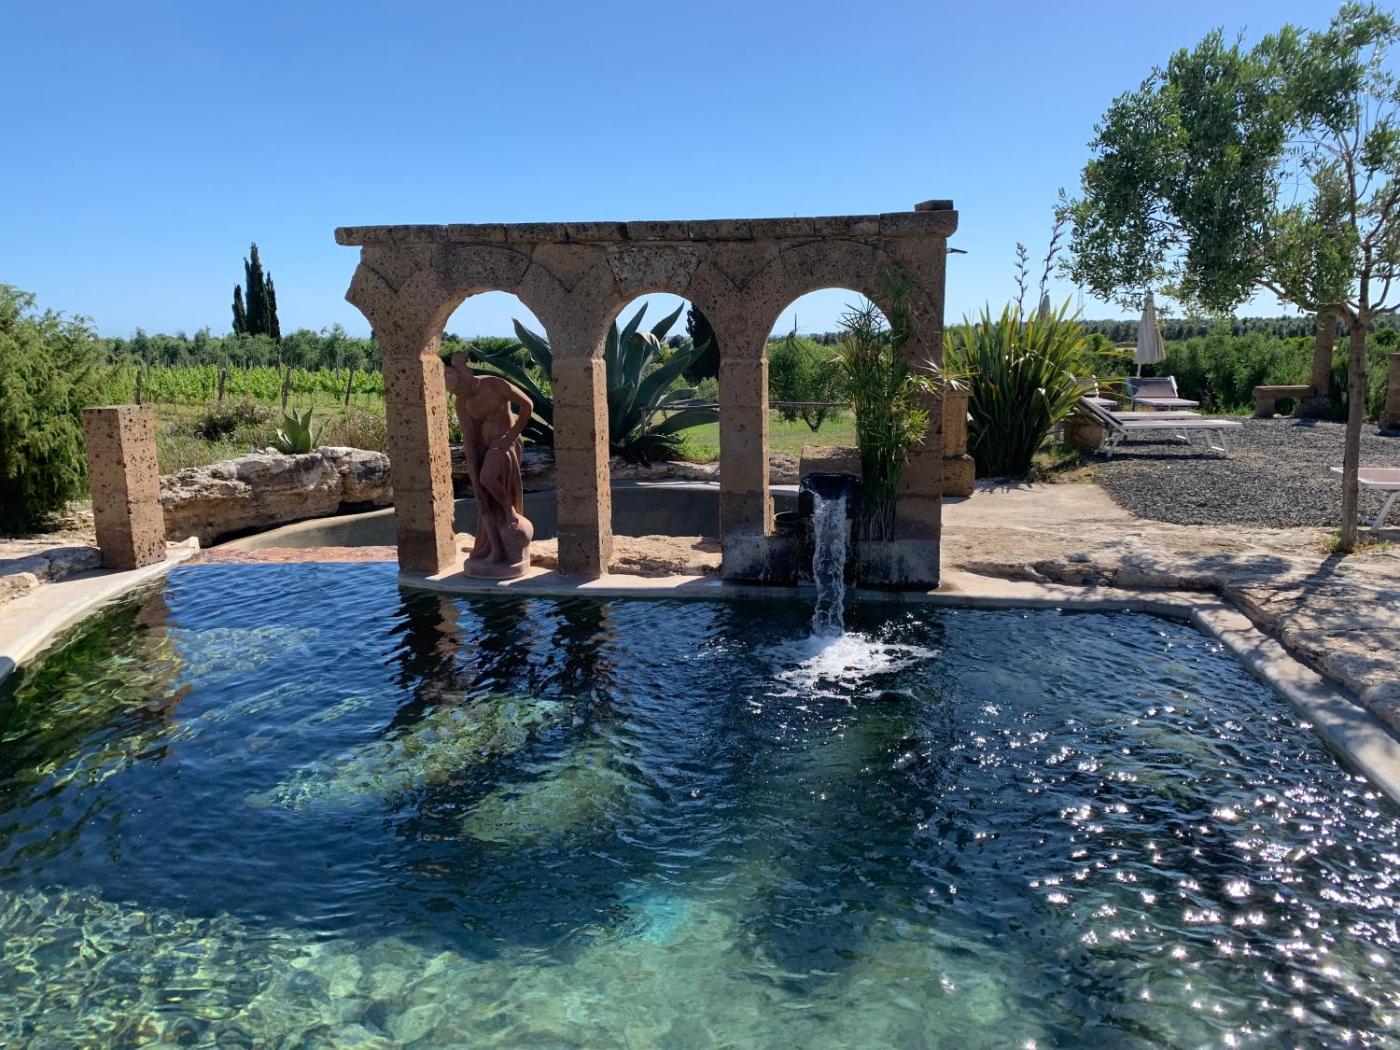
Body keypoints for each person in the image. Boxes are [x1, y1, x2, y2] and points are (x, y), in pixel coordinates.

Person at [443, 352, 535, 576]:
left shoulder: (494, 385)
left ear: (466, 378)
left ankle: (509, 510)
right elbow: (468, 438)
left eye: (460, 390)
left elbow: (527, 405)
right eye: (455, 393)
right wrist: (473, 475)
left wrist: (510, 437)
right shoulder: (462, 401)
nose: (459, 395)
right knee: (483, 496)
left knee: (488, 478)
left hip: (505, 442)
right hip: (484, 447)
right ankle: (495, 549)